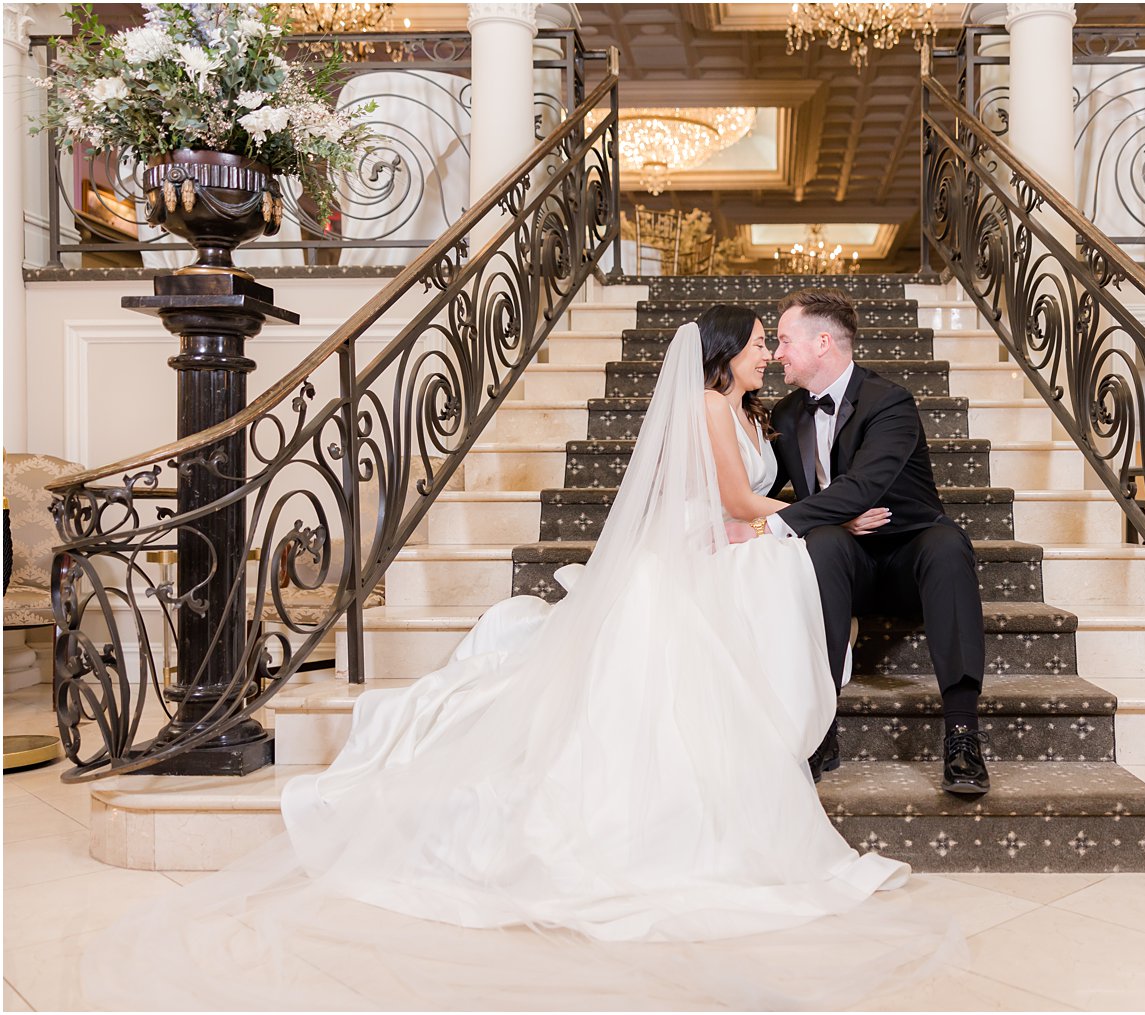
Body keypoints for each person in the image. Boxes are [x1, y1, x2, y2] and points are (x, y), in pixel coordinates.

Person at [81, 306, 960, 1010]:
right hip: (706, 552)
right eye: (762, 341)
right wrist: (795, 519)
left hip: (726, 547)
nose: (771, 350)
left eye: (780, 339)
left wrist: (785, 515)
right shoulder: (703, 405)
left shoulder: (751, 407)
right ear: (727, 354)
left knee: (767, 599)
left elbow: (761, 492)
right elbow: (734, 497)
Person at [737, 288, 990, 795]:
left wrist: (775, 524)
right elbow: (759, 488)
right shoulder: (787, 415)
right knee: (826, 540)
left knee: (948, 544)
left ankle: (962, 733)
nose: (777, 353)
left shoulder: (890, 401)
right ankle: (820, 728)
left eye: (784, 341)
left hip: (908, 557)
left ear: (823, 342)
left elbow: (863, 488)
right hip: (844, 565)